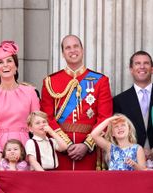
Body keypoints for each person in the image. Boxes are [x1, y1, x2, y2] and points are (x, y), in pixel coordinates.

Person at [40, 34, 113, 170]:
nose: (72, 50)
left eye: (76, 46)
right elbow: (46, 117)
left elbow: (105, 118)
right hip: (59, 149)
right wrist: (65, 143)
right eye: (68, 48)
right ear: (63, 53)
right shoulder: (50, 81)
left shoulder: (100, 81)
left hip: (90, 150)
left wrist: (87, 145)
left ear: (82, 50)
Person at [0, 40, 40, 171]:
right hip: (0, 147)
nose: (5, 65)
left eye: (9, 61)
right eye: (0, 62)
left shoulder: (30, 92)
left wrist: (35, 152)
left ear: (16, 66)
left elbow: (37, 124)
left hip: (26, 147)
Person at [113, 50, 153, 169]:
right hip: (131, 161)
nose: (142, 66)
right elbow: (116, 132)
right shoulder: (119, 100)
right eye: (137, 63)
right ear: (131, 69)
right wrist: (137, 150)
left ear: (152, 68)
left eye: (146, 63)